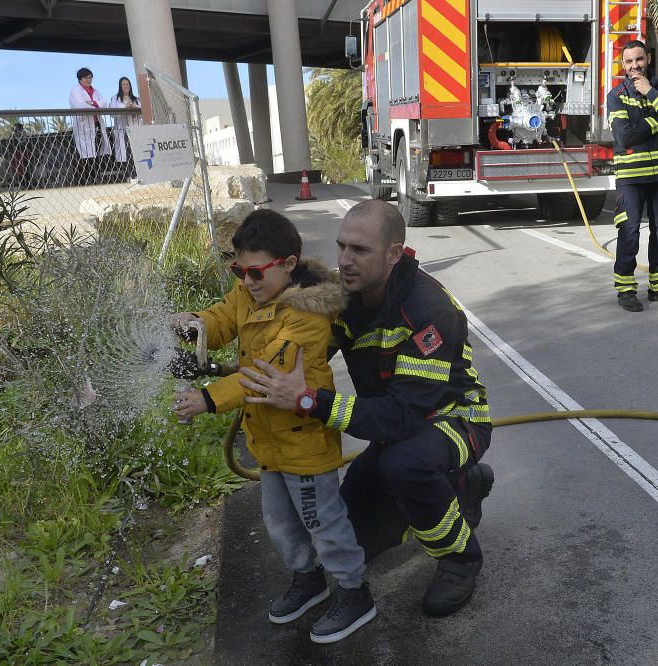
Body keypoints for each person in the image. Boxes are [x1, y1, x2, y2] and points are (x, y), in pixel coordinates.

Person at [239, 200, 495, 618]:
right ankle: (453, 488)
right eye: (341, 247)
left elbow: (402, 417)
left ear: (394, 254)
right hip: (398, 429)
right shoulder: (349, 300)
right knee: (352, 533)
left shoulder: (428, 310)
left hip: (455, 421)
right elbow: (300, 350)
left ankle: (460, 557)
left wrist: (308, 400)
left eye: (360, 250)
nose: (344, 260)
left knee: (405, 466)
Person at [168, 209, 376, 644]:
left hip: (303, 444)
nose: (247, 281)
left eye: (256, 271)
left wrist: (208, 399)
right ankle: (308, 578)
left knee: (322, 521)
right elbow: (226, 315)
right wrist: (197, 325)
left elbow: (264, 371)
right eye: (239, 270)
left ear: (288, 264)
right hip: (267, 441)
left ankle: (355, 592)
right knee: (280, 522)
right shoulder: (251, 290)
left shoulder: (308, 314)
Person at [607, 40, 658, 312]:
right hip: (632, 178)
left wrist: (652, 94)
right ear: (623, 65)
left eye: (639, 60)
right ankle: (626, 290)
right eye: (629, 61)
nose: (635, 66)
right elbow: (624, 136)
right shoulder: (616, 95)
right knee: (629, 232)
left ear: (648, 58)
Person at [68, 67, 111, 184]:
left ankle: (97, 176)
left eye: (90, 77)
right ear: (80, 79)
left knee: (96, 150)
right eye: (86, 77)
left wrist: (93, 103)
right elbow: (80, 106)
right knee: (86, 153)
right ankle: (88, 178)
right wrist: (96, 105)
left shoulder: (95, 91)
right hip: (83, 125)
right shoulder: (75, 91)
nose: (89, 80)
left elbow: (104, 103)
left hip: (96, 124)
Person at [109, 76, 142, 176]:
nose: (126, 86)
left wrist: (135, 108)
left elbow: (142, 112)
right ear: (120, 86)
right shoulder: (115, 99)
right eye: (123, 84)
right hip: (122, 130)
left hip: (135, 129)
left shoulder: (136, 99)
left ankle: (139, 174)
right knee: (126, 153)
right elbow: (112, 113)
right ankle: (129, 175)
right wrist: (125, 107)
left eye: (127, 84)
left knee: (137, 152)